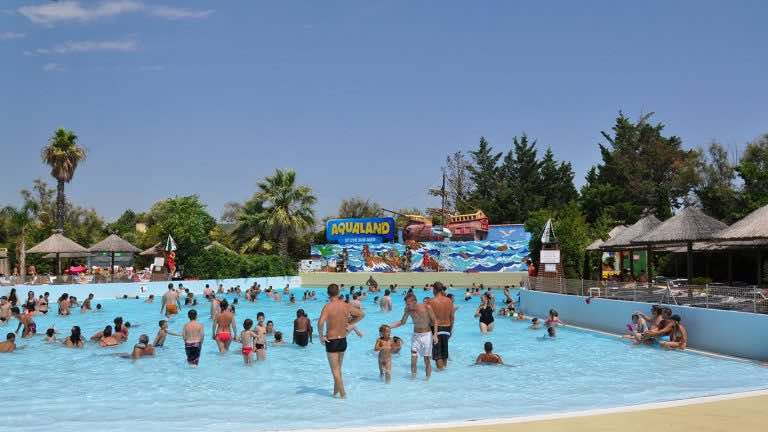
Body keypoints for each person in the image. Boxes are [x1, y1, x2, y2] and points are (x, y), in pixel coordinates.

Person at [317, 283, 364, 398]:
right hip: (343, 340)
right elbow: (361, 314)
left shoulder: (327, 307)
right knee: (339, 369)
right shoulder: (345, 305)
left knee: (335, 370)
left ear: (328, 294)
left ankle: (343, 395)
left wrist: (321, 336)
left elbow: (320, 322)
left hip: (331, 341)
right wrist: (350, 324)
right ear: (338, 293)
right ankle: (335, 393)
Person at [390, 292, 438, 379]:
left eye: (408, 303)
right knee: (413, 360)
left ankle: (427, 380)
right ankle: (413, 380)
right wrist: (389, 327)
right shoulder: (408, 310)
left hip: (427, 335)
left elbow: (435, 321)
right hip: (416, 336)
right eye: (406, 304)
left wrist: (435, 335)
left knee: (427, 360)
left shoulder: (426, 307)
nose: (407, 305)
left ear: (414, 301)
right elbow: (402, 322)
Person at [429, 282, 454, 370]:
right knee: (444, 352)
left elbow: (428, 318)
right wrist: (451, 330)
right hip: (447, 328)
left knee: (438, 355)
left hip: (436, 329)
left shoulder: (431, 301)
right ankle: (444, 372)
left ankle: (441, 373)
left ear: (435, 290)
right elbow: (452, 317)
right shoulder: (449, 300)